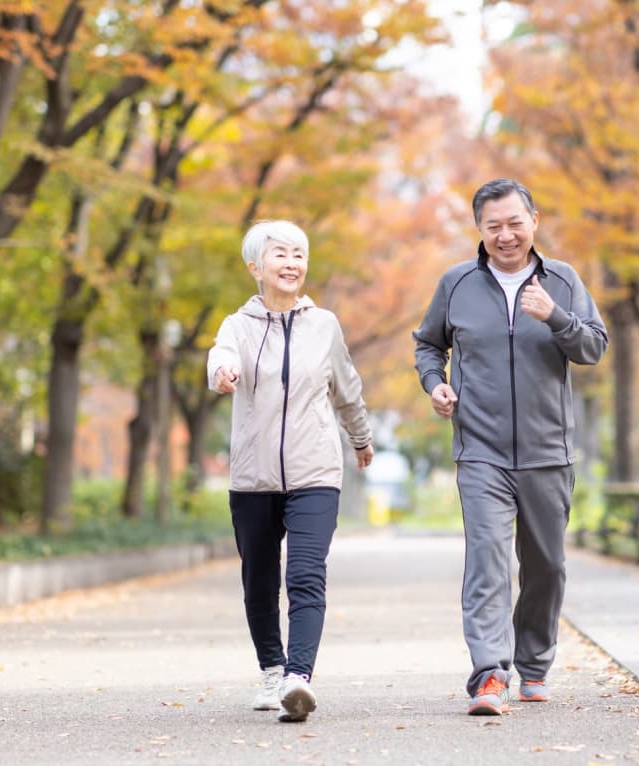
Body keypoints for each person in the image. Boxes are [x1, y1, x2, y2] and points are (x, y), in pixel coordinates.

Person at [413, 179, 609, 716]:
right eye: (493, 226)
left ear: (534, 222)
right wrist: (436, 384)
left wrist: (556, 317)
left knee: (545, 565)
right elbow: (428, 344)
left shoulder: (563, 281)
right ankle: (489, 676)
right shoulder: (456, 284)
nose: (505, 235)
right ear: (479, 229)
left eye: (514, 223)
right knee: (488, 562)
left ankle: (535, 664)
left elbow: (594, 346)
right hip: (481, 451)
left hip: (549, 452)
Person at [208, 220, 374, 723]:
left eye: (299, 254)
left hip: (315, 472)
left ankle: (297, 678)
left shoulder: (323, 325)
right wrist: (221, 371)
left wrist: (361, 439)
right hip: (253, 477)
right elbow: (222, 353)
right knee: (259, 580)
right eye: (280, 254)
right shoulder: (236, 326)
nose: (291, 263)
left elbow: (346, 387)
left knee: (306, 575)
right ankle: (270, 670)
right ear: (256, 266)